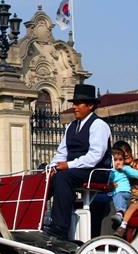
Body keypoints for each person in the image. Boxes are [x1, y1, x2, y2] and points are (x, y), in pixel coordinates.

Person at [45, 83, 112, 241]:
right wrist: (51, 167)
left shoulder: (99, 125)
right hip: (77, 170)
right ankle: (35, 218)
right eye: (74, 103)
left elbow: (94, 156)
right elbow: (62, 152)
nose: (74, 107)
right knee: (45, 177)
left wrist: (68, 165)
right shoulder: (71, 126)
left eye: (78, 103)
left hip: (96, 171)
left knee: (64, 177)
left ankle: (60, 227)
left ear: (89, 106)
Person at [107, 148, 138, 229]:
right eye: (115, 160)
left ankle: (120, 212)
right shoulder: (110, 170)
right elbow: (107, 179)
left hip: (124, 191)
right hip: (114, 193)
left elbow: (136, 174)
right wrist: (110, 183)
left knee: (119, 197)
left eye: (120, 160)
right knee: (114, 199)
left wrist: (124, 168)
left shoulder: (125, 168)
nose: (118, 162)